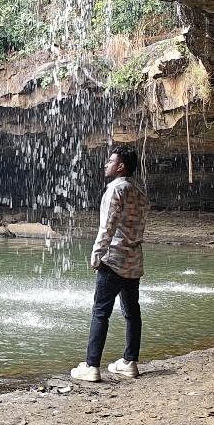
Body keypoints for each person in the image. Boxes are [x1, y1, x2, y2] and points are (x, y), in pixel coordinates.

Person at [70, 145, 149, 383]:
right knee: (132, 312)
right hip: (133, 261)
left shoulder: (115, 190)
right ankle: (129, 362)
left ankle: (92, 366)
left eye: (110, 161)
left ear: (121, 166)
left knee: (100, 312)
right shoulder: (139, 194)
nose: (106, 165)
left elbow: (108, 226)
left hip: (113, 259)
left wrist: (97, 254)